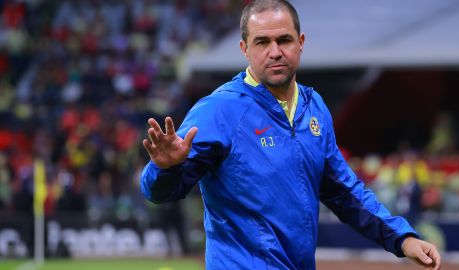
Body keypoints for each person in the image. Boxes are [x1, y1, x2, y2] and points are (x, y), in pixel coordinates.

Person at [140, 1, 441, 269]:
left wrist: (402, 238)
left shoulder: (315, 108)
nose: (275, 52)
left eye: (283, 40)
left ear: (300, 42)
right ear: (245, 49)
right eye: (262, 42)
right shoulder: (219, 111)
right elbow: (160, 193)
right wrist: (164, 169)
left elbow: (344, 192)